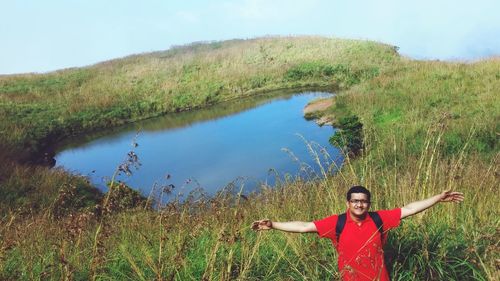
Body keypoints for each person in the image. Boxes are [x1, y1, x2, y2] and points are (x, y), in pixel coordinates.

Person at [251, 185, 464, 281]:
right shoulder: (337, 222)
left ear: (368, 203)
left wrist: (437, 198)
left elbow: (409, 208)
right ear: (348, 203)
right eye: (355, 201)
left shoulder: (379, 218)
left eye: (363, 201)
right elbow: (304, 226)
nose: (359, 204)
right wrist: (274, 225)